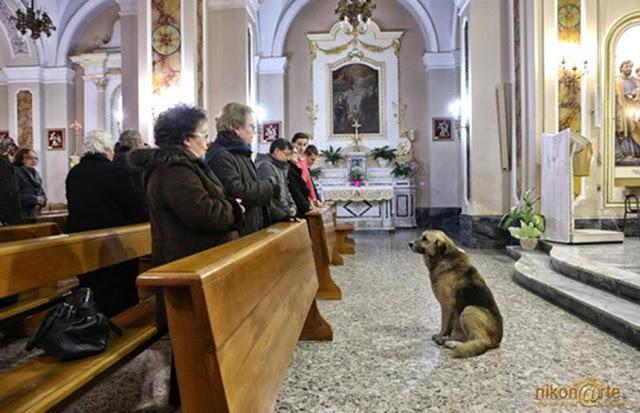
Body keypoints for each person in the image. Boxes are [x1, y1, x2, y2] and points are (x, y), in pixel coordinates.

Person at [130, 104, 244, 408]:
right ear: (185, 138)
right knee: (190, 343)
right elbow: (205, 214)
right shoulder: (174, 171)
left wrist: (228, 207)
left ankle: (197, 396)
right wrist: (236, 209)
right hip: (186, 265)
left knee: (195, 343)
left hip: (195, 262)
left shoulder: (185, 166)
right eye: (203, 135)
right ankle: (191, 400)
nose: (207, 142)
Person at [66, 129, 147, 317]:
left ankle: (88, 322)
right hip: (113, 243)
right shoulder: (116, 171)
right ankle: (120, 325)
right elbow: (136, 204)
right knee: (117, 292)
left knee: (90, 288)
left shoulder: (75, 172)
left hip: (82, 241)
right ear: (106, 149)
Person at [206, 102, 274, 236]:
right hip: (238, 231)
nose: (254, 132)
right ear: (236, 128)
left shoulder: (241, 153)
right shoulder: (220, 156)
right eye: (251, 126)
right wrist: (268, 187)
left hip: (250, 227)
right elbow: (237, 192)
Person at [256, 139, 296, 222]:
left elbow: (286, 190)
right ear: (277, 151)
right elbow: (269, 197)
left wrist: (293, 206)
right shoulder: (265, 166)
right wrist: (284, 214)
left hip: (284, 213)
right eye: (287, 154)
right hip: (274, 217)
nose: (288, 158)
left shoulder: (281, 167)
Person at [13, 147, 47, 221]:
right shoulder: (15, 173)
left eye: (35, 158)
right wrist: (35, 199)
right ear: (21, 159)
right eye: (29, 158)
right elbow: (15, 195)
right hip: (22, 214)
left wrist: (43, 200)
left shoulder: (36, 174)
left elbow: (42, 192)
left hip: (36, 213)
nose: (33, 160)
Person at [292, 132, 321, 206]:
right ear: (293, 144)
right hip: (297, 201)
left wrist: (314, 199)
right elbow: (295, 187)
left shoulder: (303, 161)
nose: (302, 148)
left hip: (306, 199)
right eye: (299, 144)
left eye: (305, 145)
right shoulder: (290, 162)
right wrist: (308, 201)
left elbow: (309, 182)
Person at [0, 137, 22, 226]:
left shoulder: (7, 162)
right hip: (6, 208)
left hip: (11, 207)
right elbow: (7, 187)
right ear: (9, 148)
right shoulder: (2, 162)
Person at [287, 146, 312, 218]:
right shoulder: (289, 170)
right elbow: (295, 190)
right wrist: (306, 206)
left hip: (301, 206)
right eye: (294, 153)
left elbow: (307, 185)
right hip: (298, 208)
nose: (297, 156)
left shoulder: (294, 169)